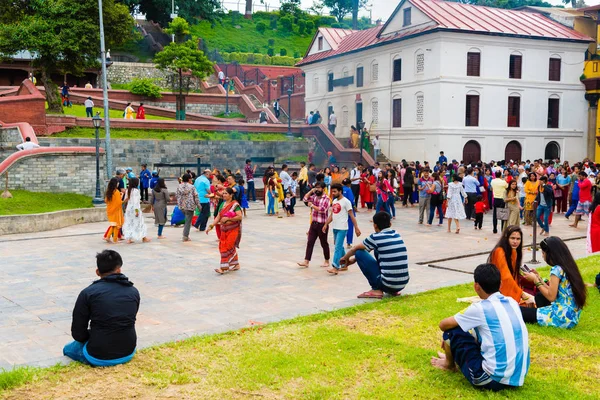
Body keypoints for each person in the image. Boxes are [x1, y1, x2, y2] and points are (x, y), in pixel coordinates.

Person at [431, 263, 529, 392]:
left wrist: (452, 341)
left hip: (490, 380)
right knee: (472, 330)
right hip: (518, 376)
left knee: (451, 332)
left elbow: (443, 325)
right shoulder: (512, 302)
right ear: (500, 284)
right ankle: (453, 358)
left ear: (476, 286)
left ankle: (448, 364)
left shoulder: (480, 308)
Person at [63, 250, 140, 367]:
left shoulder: (88, 293)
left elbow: (78, 334)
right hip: (128, 350)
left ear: (97, 272)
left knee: (68, 348)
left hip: (98, 355)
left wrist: (93, 335)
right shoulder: (133, 291)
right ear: (119, 270)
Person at [520, 237, 587, 328]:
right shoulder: (569, 266)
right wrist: (539, 279)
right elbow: (555, 292)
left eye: (543, 253)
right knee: (540, 296)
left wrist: (535, 281)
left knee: (519, 311)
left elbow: (551, 297)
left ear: (550, 254)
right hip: (571, 318)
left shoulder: (556, 269)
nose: (543, 256)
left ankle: (540, 315)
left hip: (560, 317)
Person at [339, 211, 409, 299]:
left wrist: (345, 258)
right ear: (390, 224)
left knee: (359, 252)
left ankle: (376, 289)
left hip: (388, 284)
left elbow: (355, 248)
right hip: (402, 283)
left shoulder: (376, 237)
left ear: (375, 225)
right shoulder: (397, 234)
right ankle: (393, 290)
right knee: (376, 249)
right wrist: (353, 260)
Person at [488, 226, 534, 304]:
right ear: (506, 238)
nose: (515, 241)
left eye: (518, 239)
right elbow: (506, 277)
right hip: (498, 290)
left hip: (509, 288)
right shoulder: (499, 251)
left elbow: (514, 276)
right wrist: (521, 294)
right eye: (512, 238)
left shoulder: (514, 251)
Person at [323, 183, 361, 275]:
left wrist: (356, 227)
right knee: (339, 246)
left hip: (342, 228)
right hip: (335, 227)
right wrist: (326, 224)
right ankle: (345, 263)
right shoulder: (335, 201)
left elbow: (352, 216)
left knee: (337, 247)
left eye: (335, 191)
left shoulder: (346, 202)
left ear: (340, 191)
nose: (333, 193)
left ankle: (335, 266)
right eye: (332, 191)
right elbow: (332, 215)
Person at [207, 187, 243, 274]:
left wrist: (228, 218)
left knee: (227, 247)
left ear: (231, 195)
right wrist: (211, 226)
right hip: (224, 230)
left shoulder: (235, 205)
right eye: (223, 193)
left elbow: (239, 216)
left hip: (233, 229)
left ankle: (223, 268)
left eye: (226, 193)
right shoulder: (222, 204)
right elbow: (219, 216)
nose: (223, 195)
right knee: (224, 246)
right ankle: (236, 264)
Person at [297, 182, 331, 269]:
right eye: (316, 188)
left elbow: (322, 210)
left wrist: (312, 205)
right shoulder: (314, 197)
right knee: (310, 242)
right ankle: (306, 261)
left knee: (324, 243)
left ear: (323, 189)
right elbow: (305, 199)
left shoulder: (326, 199)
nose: (317, 189)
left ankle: (327, 260)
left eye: (319, 188)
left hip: (322, 224)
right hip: (314, 223)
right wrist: (311, 191)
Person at [122, 178, 150, 244]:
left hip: (129, 209)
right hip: (135, 209)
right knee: (139, 223)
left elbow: (126, 199)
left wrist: (122, 203)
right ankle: (144, 237)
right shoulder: (136, 191)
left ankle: (129, 238)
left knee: (129, 223)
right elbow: (136, 202)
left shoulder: (128, 190)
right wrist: (137, 211)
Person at [176, 173, 201, 242]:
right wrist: (199, 206)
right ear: (189, 179)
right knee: (188, 221)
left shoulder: (179, 186)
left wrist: (179, 204)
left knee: (187, 220)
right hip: (190, 206)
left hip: (182, 206)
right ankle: (185, 236)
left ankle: (185, 234)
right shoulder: (192, 187)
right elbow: (196, 197)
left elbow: (177, 196)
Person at [103, 177, 124, 243]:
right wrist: (122, 197)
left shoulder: (109, 191)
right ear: (115, 184)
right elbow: (119, 203)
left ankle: (109, 237)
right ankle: (114, 239)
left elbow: (106, 201)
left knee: (113, 225)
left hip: (110, 210)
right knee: (116, 225)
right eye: (117, 183)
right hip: (116, 211)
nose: (118, 184)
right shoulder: (116, 192)